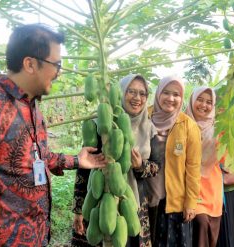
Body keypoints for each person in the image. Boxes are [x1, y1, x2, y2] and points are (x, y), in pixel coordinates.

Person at [0, 24, 106, 247]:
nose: (58, 72)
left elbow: (38, 158)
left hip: (38, 236)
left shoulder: (32, 108)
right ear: (30, 64)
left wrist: (77, 160)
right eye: (56, 64)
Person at [71, 74, 161, 247]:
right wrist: (78, 209)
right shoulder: (100, 124)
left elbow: (157, 166)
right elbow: (83, 170)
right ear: (120, 93)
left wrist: (141, 166)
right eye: (131, 91)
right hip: (99, 200)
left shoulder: (149, 128)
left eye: (142, 94)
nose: (137, 98)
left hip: (132, 201)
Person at [147, 76, 202, 246]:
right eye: (166, 93)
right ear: (158, 94)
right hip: (145, 197)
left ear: (181, 98)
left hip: (174, 202)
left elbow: (193, 168)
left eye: (176, 95)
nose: (171, 99)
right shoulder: (144, 117)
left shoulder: (188, 126)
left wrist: (191, 202)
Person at [185, 87, 223, 247]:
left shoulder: (219, 130)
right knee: (200, 226)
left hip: (211, 190)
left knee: (210, 238)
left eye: (209, 102)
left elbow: (226, 161)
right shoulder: (180, 124)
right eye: (199, 100)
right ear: (192, 101)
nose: (203, 105)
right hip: (188, 189)